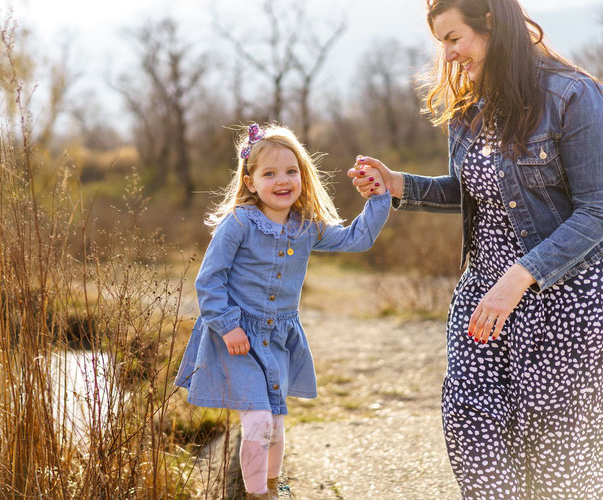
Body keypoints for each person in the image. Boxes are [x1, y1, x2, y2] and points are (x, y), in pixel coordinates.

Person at [350, 0, 603, 497]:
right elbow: (471, 192)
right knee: (474, 435)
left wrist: (519, 277)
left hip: (563, 309)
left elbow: (597, 210)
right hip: (482, 305)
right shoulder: (469, 109)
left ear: (493, 26)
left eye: (453, 38)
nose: (446, 56)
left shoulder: (573, 95)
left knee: (557, 467)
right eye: (440, 42)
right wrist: (396, 183)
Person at [175, 123, 390, 499]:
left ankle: (272, 490)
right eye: (269, 173)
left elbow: (358, 238)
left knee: (275, 420)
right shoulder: (239, 224)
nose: (282, 180)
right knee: (258, 420)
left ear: (303, 178)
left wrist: (378, 197)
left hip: (277, 339)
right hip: (237, 339)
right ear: (250, 182)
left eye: (291, 171)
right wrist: (227, 326)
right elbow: (209, 281)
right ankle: (257, 494)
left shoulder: (305, 227)